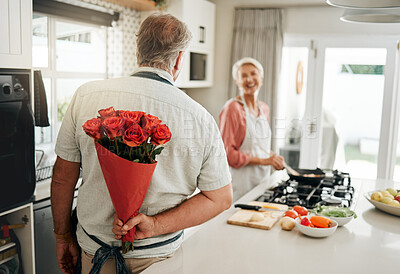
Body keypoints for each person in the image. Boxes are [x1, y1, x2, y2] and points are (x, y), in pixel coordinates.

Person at [51, 13, 232, 274]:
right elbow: (220, 198)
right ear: (180, 58)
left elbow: (62, 178)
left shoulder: (86, 95)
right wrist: (155, 225)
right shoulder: (200, 117)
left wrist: (62, 236)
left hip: (94, 255)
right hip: (160, 261)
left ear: (139, 49)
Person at [219, 57, 284, 201]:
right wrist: (265, 161)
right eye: (243, 76)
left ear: (261, 77)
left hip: (263, 182)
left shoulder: (264, 108)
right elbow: (228, 154)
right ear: (237, 81)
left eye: (253, 74)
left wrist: (273, 157)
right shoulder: (232, 108)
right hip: (241, 185)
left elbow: (259, 146)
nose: (249, 79)